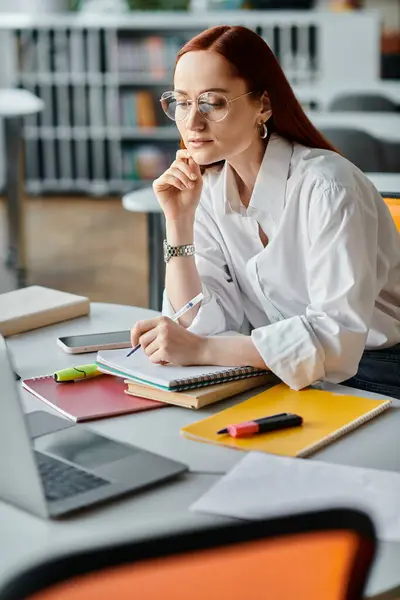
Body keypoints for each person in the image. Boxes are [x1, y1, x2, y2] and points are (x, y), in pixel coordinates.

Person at [130, 25, 400, 399]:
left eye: (213, 102)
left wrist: (203, 350)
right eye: (182, 102)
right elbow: (200, 324)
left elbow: (337, 341)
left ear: (264, 105)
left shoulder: (328, 187)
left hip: (376, 371)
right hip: (284, 370)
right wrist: (178, 222)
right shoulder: (207, 189)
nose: (192, 122)